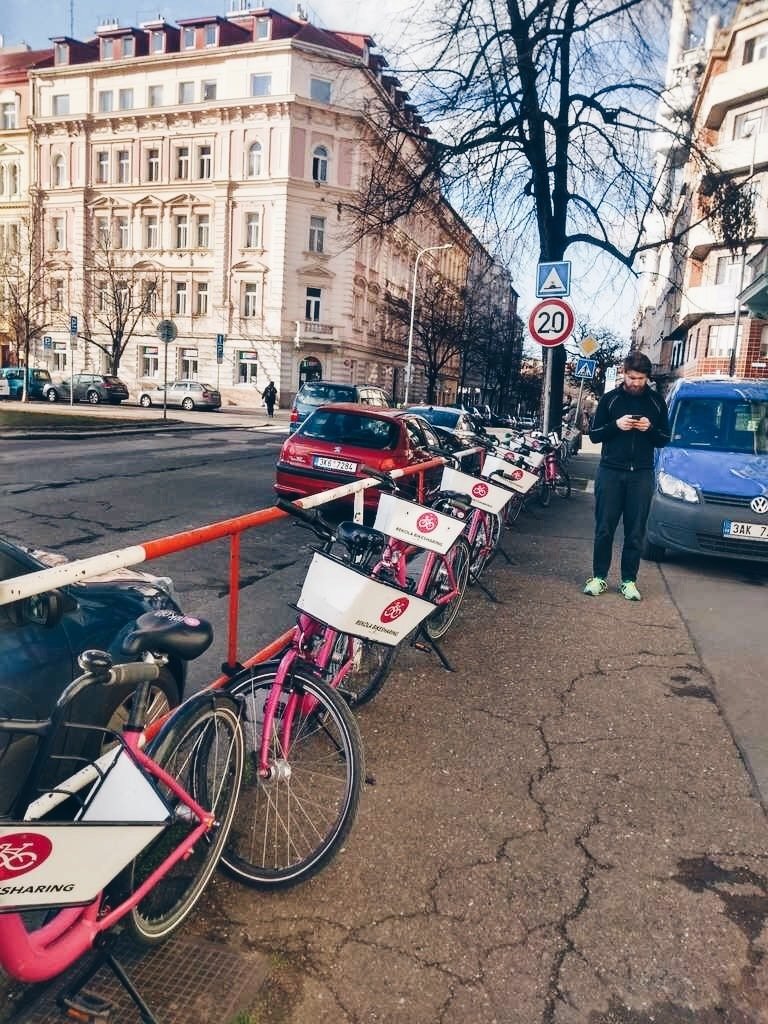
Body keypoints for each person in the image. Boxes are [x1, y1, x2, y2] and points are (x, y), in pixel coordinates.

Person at [583, 351, 670, 601]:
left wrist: (650, 429)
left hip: (641, 475)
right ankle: (599, 577)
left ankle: (628, 581)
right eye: (632, 377)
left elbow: (664, 438)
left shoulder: (656, 402)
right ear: (624, 374)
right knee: (604, 529)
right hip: (610, 472)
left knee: (635, 531)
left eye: (641, 379)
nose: (635, 383)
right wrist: (616, 426)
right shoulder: (610, 399)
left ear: (647, 378)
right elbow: (595, 435)